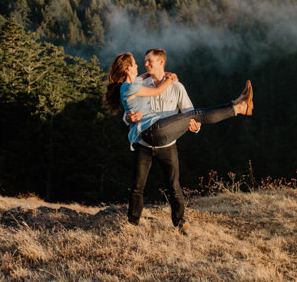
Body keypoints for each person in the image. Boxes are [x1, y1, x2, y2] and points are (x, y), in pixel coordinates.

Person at [103, 49, 253, 233]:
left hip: (166, 141)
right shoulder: (142, 84)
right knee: (137, 186)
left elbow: (190, 114)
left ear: (161, 63)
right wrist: (129, 118)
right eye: (142, 62)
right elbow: (129, 110)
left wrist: (194, 127)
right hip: (145, 142)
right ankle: (132, 222)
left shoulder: (176, 87)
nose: (144, 65)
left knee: (174, 186)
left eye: (149, 61)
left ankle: (181, 223)